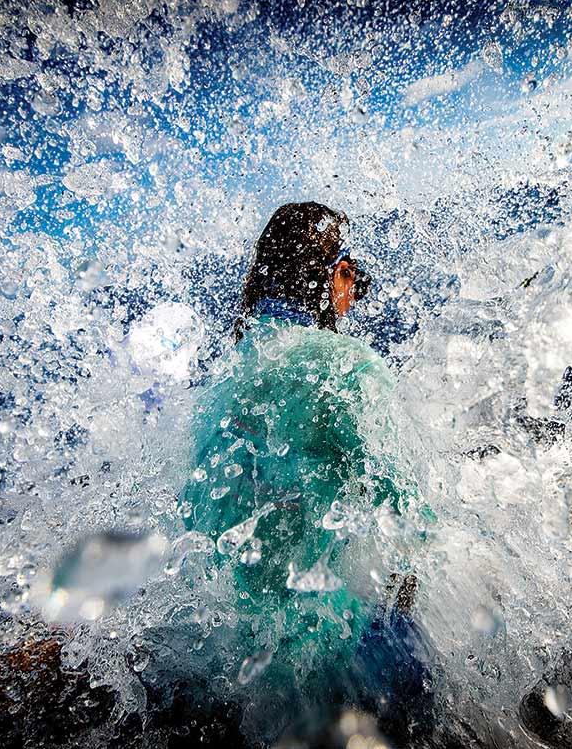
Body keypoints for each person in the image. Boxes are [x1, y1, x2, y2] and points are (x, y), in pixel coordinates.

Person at [176, 201, 432, 741]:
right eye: (350, 269)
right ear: (331, 273)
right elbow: (410, 517)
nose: (356, 287)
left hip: (229, 660)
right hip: (327, 663)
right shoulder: (347, 366)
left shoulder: (224, 375)